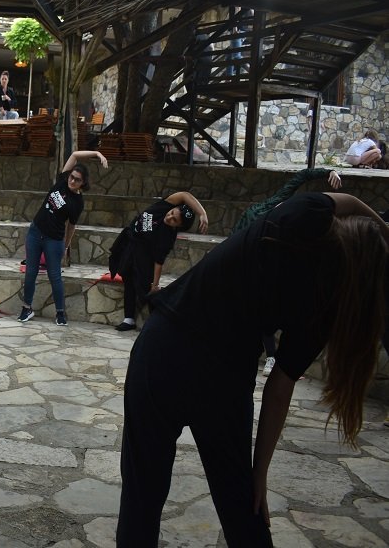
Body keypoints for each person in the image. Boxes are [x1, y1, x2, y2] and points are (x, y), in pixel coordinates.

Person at [116, 192, 388, 547]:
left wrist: (384, 229)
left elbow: (349, 200)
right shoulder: (329, 305)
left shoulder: (306, 216)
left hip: (164, 347)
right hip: (224, 378)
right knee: (244, 511)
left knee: (141, 501)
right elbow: (280, 386)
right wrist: (258, 474)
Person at [231, 168, 342, 375]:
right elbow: (235, 244)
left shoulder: (285, 219)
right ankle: (268, 357)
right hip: (252, 269)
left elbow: (301, 177)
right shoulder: (259, 215)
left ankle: (274, 357)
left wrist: (330, 171)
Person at [18, 150, 108, 326]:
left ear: (83, 183)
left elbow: (71, 226)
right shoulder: (62, 180)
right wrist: (97, 153)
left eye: (77, 180)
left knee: (55, 276)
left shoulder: (78, 203)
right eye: (72, 177)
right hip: (35, 232)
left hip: (54, 239)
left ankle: (60, 312)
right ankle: (26, 308)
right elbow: (74, 155)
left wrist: (65, 246)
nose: (72, 181)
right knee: (30, 272)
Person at [109, 192, 208, 332]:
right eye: (172, 213)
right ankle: (129, 319)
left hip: (143, 257)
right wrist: (202, 213)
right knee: (127, 279)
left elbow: (158, 261)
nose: (170, 217)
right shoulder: (164, 206)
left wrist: (155, 285)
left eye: (174, 220)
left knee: (146, 290)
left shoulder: (167, 237)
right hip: (130, 243)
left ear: (178, 226)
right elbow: (185, 195)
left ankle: (159, 324)